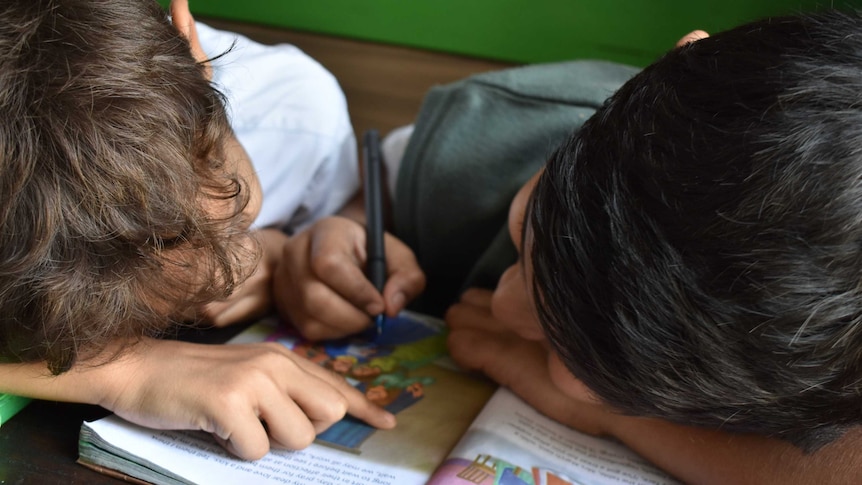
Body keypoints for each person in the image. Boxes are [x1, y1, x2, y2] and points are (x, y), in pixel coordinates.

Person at [285, 9, 862, 483]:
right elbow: (375, 185)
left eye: (569, 354)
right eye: (522, 231)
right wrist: (346, 226)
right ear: (684, 54)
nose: (505, 307)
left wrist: (610, 419)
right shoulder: (487, 134)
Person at [0, 0, 427, 461]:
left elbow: (347, 209)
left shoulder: (299, 119)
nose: (233, 274)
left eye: (239, 218)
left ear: (192, 49)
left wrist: (326, 236)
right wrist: (124, 371)